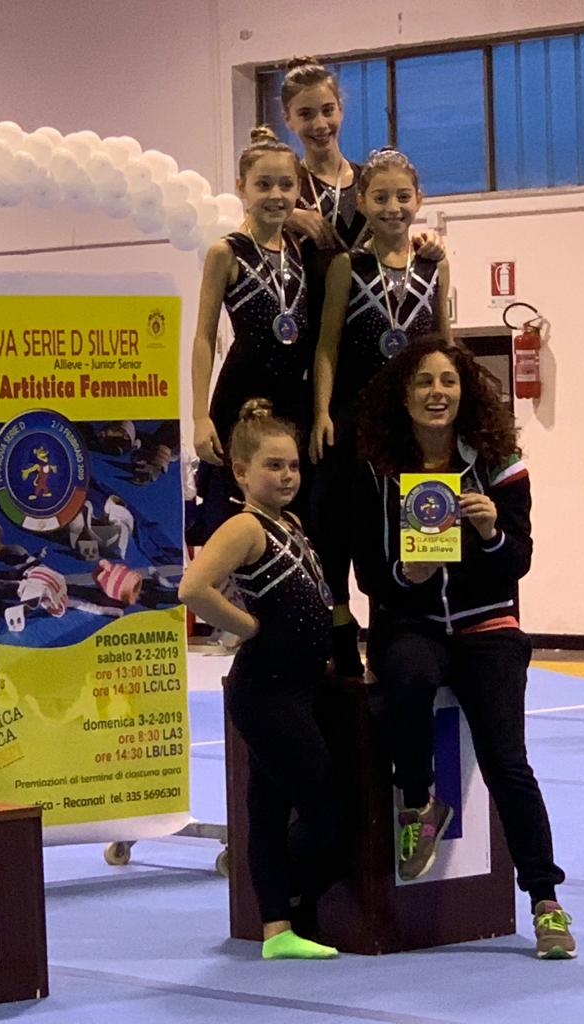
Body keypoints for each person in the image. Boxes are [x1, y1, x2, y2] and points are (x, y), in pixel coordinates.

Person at [353, 337, 575, 960]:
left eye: (448, 381)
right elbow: (368, 571)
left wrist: (491, 531)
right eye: (424, 382)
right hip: (412, 622)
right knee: (408, 678)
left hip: (487, 624)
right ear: (403, 395)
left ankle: (546, 902)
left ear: (465, 391)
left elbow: (519, 560)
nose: (437, 393)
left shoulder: (501, 464)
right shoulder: (377, 468)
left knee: (508, 761)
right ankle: (419, 804)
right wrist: (406, 576)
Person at [179, 399, 340, 960]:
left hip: (294, 687)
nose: (287, 475)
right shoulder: (244, 527)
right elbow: (192, 588)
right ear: (241, 472)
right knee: (323, 811)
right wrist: (245, 626)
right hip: (266, 690)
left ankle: (277, 927)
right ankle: (287, 898)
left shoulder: (289, 524)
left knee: (268, 811)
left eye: (293, 465)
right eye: (274, 466)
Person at [309, 148, 452, 677]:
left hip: (413, 427)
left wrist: (452, 413)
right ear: (363, 203)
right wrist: (322, 412)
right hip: (354, 419)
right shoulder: (349, 266)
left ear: (419, 200)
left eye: (403, 196)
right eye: (381, 197)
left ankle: (406, 635)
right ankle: (341, 634)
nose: (393, 207)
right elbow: (327, 346)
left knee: (410, 530)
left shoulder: (434, 265)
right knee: (344, 529)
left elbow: (445, 346)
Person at [190, 127, 312, 539]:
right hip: (238, 397)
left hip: (293, 399)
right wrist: (200, 416)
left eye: (286, 185)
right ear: (241, 187)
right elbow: (204, 337)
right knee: (235, 517)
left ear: (299, 189)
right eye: (263, 185)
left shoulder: (301, 249)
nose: (276, 195)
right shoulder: (226, 252)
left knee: (293, 515)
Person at [280, 57, 443, 327]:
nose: (320, 124)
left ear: (341, 109)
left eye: (328, 110)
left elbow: (395, 233)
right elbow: (248, 235)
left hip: (374, 326)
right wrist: (287, 215)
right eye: (306, 114)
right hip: (313, 330)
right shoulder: (285, 190)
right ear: (288, 119)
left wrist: (426, 242)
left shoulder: (370, 181)